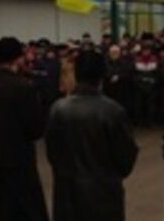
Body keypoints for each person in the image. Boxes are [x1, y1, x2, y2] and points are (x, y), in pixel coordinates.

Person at [46, 51, 139, 221]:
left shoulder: (58, 109)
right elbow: (126, 158)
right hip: (104, 194)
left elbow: (52, 153)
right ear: (102, 76)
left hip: (67, 194)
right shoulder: (113, 111)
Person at [0, 37, 48, 221]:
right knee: (25, 211)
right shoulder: (24, 88)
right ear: (18, 59)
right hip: (18, 163)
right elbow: (35, 129)